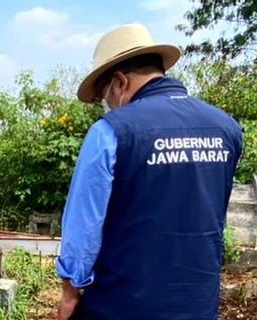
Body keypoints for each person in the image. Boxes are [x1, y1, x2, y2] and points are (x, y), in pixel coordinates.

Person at [55, 24, 243, 320]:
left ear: (119, 82)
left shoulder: (111, 132)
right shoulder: (226, 128)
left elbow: (83, 227)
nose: (106, 106)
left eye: (102, 97)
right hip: (198, 305)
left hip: (121, 306)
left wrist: (68, 294)